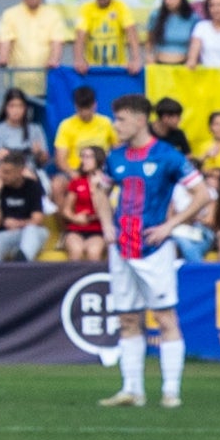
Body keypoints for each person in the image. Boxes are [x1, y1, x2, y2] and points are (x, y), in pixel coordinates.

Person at [90, 98, 205, 410]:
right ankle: (132, 390)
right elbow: (98, 188)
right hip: (121, 248)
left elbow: (203, 194)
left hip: (153, 248)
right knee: (128, 317)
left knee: (165, 317)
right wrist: (105, 224)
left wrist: (171, 225)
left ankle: (170, 391)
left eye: (121, 119)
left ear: (140, 121)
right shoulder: (115, 158)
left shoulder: (168, 156)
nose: (116, 125)